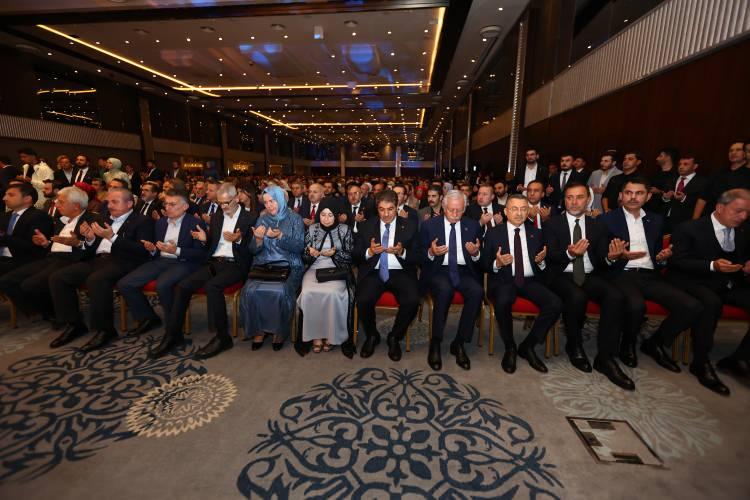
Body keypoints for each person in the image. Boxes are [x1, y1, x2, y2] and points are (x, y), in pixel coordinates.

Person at [600, 177, 702, 372]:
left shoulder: (656, 220)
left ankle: (655, 343)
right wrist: (615, 256)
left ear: (647, 197)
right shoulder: (606, 219)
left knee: (691, 306)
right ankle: (627, 344)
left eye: (639, 193)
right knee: (636, 306)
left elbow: (656, 254)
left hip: (650, 275)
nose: (633, 197)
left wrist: (662, 258)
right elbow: (600, 256)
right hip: (622, 273)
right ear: (621, 196)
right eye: (628, 193)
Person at [544, 182, 633, 390]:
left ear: (588, 200)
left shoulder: (597, 226)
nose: (574, 202)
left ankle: (605, 357)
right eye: (569, 197)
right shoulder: (552, 224)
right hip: (561, 274)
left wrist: (611, 257)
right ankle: (574, 345)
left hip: (589, 274)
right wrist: (569, 253)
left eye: (579, 197)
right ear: (564, 200)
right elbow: (550, 257)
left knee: (615, 296)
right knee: (577, 297)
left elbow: (601, 260)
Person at [153, 182, 257, 359]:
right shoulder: (217, 217)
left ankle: (223, 337)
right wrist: (204, 239)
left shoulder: (251, 217)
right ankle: (173, 334)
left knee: (212, 287)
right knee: (183, 286)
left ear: (237, 198)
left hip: (236, 264)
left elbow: (253, 249)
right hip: (214, 262)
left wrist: (238, 240)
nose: (223, 207)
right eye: (220, 203)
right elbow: (212, 245)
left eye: (227, 203)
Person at [47, 187, 154, 351]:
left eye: (115, 202)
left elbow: (141, 251)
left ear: (129, 204)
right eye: (108, 202)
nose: (109, 205)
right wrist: (90, 239)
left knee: (96, 280)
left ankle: (105, 330)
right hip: (98, 259)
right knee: (58, 277)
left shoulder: (142, 221)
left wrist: (112, 237)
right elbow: (91, 248)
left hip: (126, 261)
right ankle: (74, 324)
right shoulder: (103, 219)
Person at [669, 189, 750, 394]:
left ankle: (739, 358)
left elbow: (742, 258)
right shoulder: (689, 228)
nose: (743, 217)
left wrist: (746, 266)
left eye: (747, 212)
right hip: (693, 281)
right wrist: (713, 266)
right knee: (710, 303)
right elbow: (678, 261)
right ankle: (701, 362)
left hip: (729, 283)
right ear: (720, 207)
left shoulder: (743, 231)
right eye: (738, 211)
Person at [117, 190, 208, 356]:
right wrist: (152, 249)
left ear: (185, 207)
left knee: (163, 285)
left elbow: (201, 255)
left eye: (172, 204)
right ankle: (148, 318)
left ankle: (173, 332)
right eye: (166, 204)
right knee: (125, 283)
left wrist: (176, 250)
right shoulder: (160, 223)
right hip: (161, 260)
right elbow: (156, 250)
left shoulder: (195, 223)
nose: (167, 207)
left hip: (184, 262)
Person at [483, 194, 562, 374]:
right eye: (514, 209)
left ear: (528, 212)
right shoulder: (494, 233)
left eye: (523, 209)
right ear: (505, 211)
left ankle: (528, 346)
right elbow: (483, 263)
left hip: (529, 280)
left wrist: (541, 262)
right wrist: (497, 263)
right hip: (504, 280)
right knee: (503, 300)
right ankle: (510, 347)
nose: (519, 213)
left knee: (555, 303)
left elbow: (544, 266)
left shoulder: (537, 233)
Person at [0, 186, 98, 326]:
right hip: (51, 258)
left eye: (61, 202)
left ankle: (61, 317)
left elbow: (94, 248)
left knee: (32, 284)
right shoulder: (61, 220)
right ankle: (47, 313)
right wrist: (46, 243)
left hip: (71, 260)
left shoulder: (92, 220)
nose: (56, 205)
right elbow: (57, 244)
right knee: (8, 279)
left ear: (76, 206)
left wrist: (78, 243)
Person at [354, 189, 422, 361]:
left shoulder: (410, 226)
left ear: (397, 206)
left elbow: (419, 256)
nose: (386, 214)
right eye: (381, 209)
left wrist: (402, 252)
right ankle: (372, 335)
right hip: (374, 272)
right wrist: (369, 252)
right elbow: (355, 255)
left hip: (400, 271)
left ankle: (395, 337)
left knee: (413, 300)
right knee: (362, 299)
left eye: (390, 209)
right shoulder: (366, 226)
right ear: (377, 208)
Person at [420, 190, 483, 370]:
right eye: (451, 210)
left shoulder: (473, 226)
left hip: (464, 271)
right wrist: (431, 252)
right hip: (438, 270)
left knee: (477, 291)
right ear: (443, 207)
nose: (455, 214)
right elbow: (418, 254)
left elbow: (483, 257)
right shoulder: (429, 225)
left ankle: (459, 342)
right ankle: (436, 342)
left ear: (465, 209)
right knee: (444, 290)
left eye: (459, 210)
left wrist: (475, 253)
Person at [240, 185, 305, 351]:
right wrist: (258, 239)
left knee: (280, 291)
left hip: (289, 265)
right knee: (249, 291)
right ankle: (259, 330)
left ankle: (279, 331)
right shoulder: (262, 219)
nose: (269, 205)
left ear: (281, 200)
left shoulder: (295, 219)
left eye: (273, 201)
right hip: (264, 265)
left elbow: (299, 247)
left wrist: (280, 236)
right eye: (266, 202)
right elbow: (253, 250)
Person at [298, 197, 354, 354]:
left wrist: (335, 254)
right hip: (314, 268)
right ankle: (315, 335)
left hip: (337, 270)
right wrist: (310, 253)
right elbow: (304, 256)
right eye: (323, 215)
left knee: (333, 293)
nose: (326, 219)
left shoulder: (345, 230)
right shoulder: (312, 229)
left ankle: (331, 334)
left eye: (330, 215)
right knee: (308, 292)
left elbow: (351, 257)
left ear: (336, 215)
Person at [0, 182, 53, 275]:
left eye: (11, 195)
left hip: (23, 260)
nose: (4, 198)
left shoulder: (39, 217)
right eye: (5, 195)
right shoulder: (4, 216)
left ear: (27, 199)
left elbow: (32, 247)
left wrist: (3, 236)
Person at [693, 141, 750, 218]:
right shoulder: (719, 172)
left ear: (746, 153)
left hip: (733, 219)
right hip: (708, 217)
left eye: (738, 150)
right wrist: (695, 220)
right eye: (731, 150)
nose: (733, 153)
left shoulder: (747, 175)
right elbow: (703, 197)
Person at [661, 155, 708, 232]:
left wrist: (684, 198)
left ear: (695, 166)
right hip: (666, 219)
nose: (681, 167)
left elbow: (702, 202)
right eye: (680, 164)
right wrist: (665, 198)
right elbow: (663, 198)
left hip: (685, 222)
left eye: (685, 164)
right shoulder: (672, 178)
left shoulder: (702, 182)